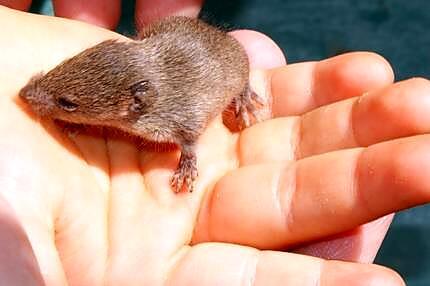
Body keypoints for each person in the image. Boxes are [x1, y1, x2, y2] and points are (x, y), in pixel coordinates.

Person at [0, 1, 428, 285]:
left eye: (66, 104)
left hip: (222, 63)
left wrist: (189, 161)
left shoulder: (163, 119)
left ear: (133, 107)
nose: (31, 98)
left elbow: (188, 132)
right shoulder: (123, 82)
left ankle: (242, 88)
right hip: (174, 45)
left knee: (234, 64)